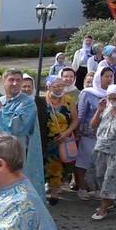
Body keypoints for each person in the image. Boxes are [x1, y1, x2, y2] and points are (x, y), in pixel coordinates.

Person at [0, 69, 45, 198]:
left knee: (13, 187)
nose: (15, 83)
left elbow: (18, 127)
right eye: (11, 80)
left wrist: (0, 108)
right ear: (4, 82)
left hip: (16, 152)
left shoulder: (27, 103)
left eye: (18, 80)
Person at [86, 85, 116, 220]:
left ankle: (103, 208)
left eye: (115, 98)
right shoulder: (107, 108)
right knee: (100, 176)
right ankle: (109, 202)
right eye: (109, 98)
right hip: (101, 148)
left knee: (110, 178)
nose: (112, 101)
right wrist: (98, 110)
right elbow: (93, 125)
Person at [76, 66, 114, 200]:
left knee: (101, 162)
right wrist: (78, 133)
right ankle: (81, 187)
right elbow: (81, 114)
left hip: (107, 134)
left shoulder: (113, 92)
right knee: (84, 161)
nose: (109, 79)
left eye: (111, 76)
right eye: (106, 76)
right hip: (88, 132)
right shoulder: (87, 93)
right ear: (99, 77)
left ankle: (97, 187)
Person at [43, 76, 79, 205]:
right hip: (45, 139)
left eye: (61, 86)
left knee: (58, 165)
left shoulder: (69, 101)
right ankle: (47, 188)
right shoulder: (42, 100)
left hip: (63, 139)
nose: (59, 88)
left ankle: (54, 192)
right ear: (48, 86)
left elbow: (75, 120)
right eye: (55, 86)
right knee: (45, 164)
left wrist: (66, 133)